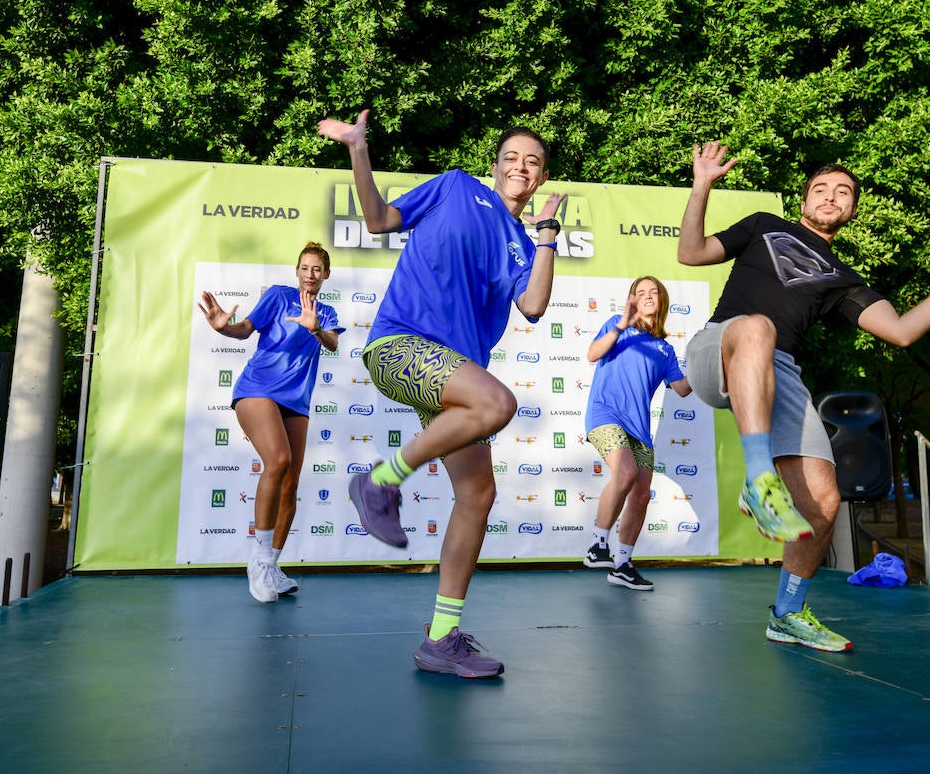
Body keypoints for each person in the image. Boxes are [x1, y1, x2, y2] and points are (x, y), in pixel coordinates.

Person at [677, 143, 930, 652]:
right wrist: (702, 184)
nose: (831, 196)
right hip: (721, 344)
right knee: (758, 327)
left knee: (823, 501)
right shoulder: (765, 225)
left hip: (780, 372)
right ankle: (759, 477)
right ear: (804, 199)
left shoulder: (843, 279)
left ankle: (788, 614)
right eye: (821, 189)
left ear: (851, 209)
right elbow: (691, 252)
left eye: (843, 192)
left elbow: (900, 331)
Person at [318, 110, 564, 678]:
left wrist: (547, 236)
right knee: (497, 404)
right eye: (511, 157)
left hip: (455, 378)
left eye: (532, 162)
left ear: (542, 177)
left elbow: (533, 304)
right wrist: (358, 149)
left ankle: (441, 638)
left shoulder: (523, 245)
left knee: (477, 494)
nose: (520, 167)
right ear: (494, 166)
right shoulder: (455, 188)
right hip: (401, 345)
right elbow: (379, 219)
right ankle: (378, 482)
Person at [198, 242, 343, 604]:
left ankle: (272, 566)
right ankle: (259, 561)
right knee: (278, 461)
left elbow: (332, 344)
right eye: (304, 268)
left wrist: (314, 328)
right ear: (297, 271)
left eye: (317, 269)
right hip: (258, 389)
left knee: (290, 484)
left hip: (297, 401)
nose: (310, 274)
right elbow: (245, 329)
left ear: (326, 274)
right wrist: (224, 328)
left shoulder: (326, 312)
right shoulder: (278, 296)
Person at [581, 276, 693, 591]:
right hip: (605, 415)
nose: (647, 296)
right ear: (632, 300)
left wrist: (710, 367)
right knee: (626, 472)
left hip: (639, 429)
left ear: (662, 300)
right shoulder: (616, 326)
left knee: (641, 495)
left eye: (653, 292)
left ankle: (622, 565)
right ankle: (597, 544)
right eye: (640, 292)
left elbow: (682, 388)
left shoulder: (666, 349)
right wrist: (621, 325)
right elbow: (592, 354)